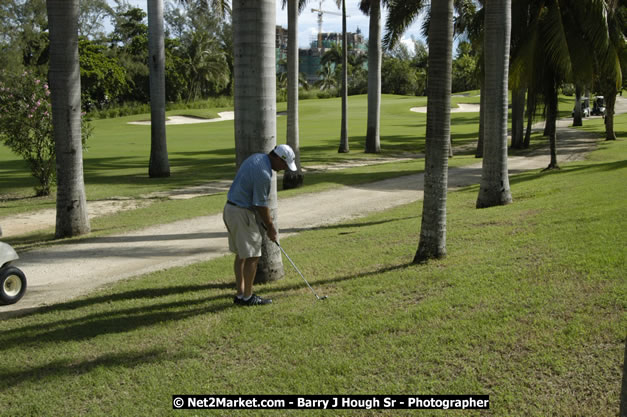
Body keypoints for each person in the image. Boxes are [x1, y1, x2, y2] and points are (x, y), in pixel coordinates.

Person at [223, 144, 297, 306]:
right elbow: (260, 204)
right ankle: (248, 297)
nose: (284, 168)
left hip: (230, 209)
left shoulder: (256, 158)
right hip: (242, 213)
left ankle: (241, 293)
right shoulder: (264, 173)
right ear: (277, 158)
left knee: (242, 255)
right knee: (253, 256)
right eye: (284, 165)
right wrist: (270, 227)